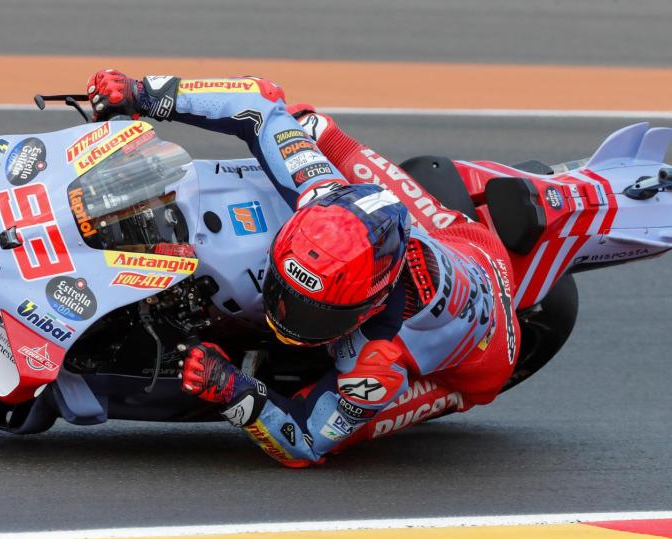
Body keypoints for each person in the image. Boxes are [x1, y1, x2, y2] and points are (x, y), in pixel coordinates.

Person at [87, 70, 520, 467]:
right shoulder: (321, 191)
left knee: (359, 425)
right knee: (308, 124)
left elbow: (308, 441)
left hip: (487, 349)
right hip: (453, 236)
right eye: (286, 294)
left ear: (368, 308)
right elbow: (258, 102)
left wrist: (233, 390)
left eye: (313, 312)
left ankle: (458, 389)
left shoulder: (375, 362)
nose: (284, 313)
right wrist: (144, 93)